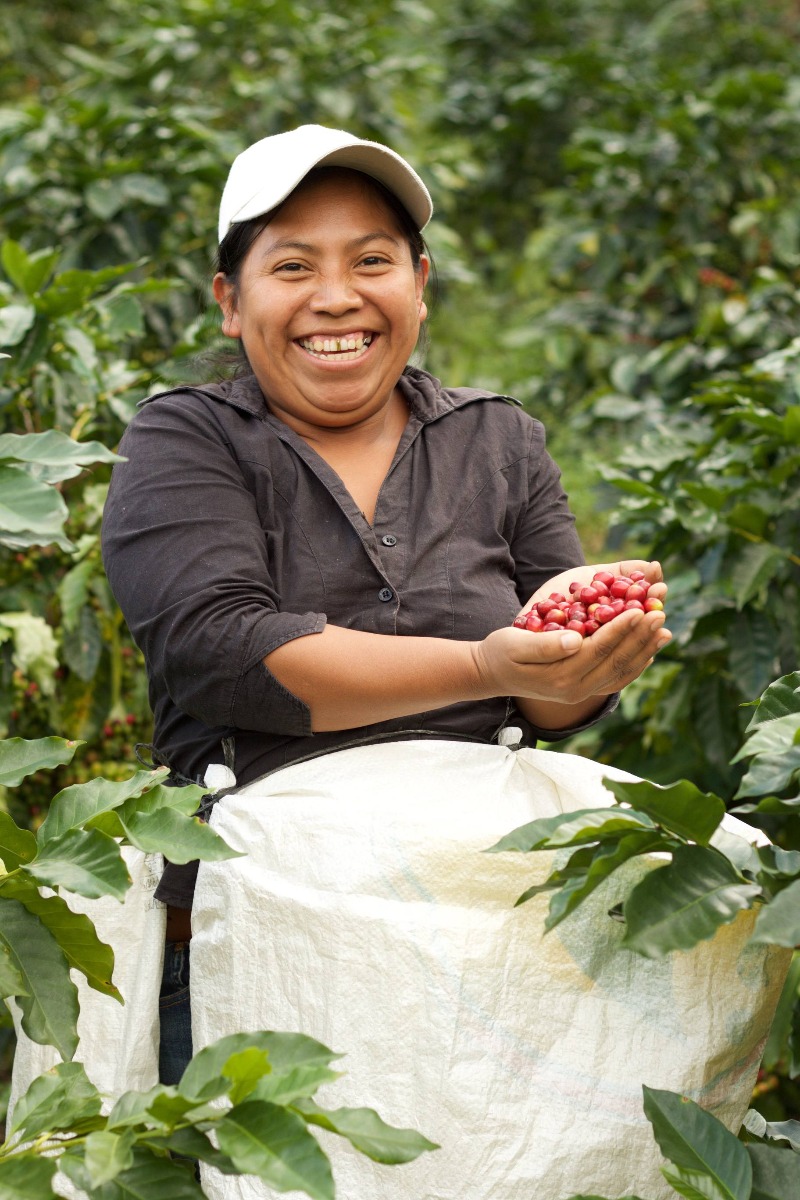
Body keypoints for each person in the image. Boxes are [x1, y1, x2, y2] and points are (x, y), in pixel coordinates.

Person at [100, 124, 671, 1091]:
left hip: (484, 920)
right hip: (263, 925)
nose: (337, 297)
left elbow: (546, 701)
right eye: (292, 266)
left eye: (372, 261)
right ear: (231, 303)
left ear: (419, 284)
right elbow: (222, 653)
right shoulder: (185, 440)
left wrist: (579, 666)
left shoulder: (501, 440)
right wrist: (482, 666)